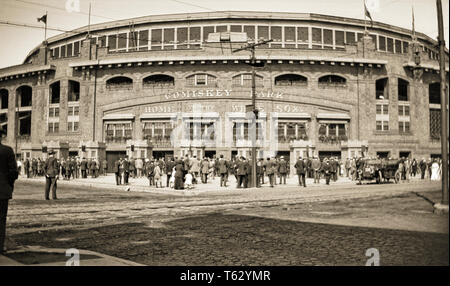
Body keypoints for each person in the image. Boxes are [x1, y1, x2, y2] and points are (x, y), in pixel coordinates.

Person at [0, 126, 19, 254]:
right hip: (2, 190)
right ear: (1, 136)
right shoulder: (7, 151)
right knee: (1, 219)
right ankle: (0, 247)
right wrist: (9, 185)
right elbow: (13, 173)